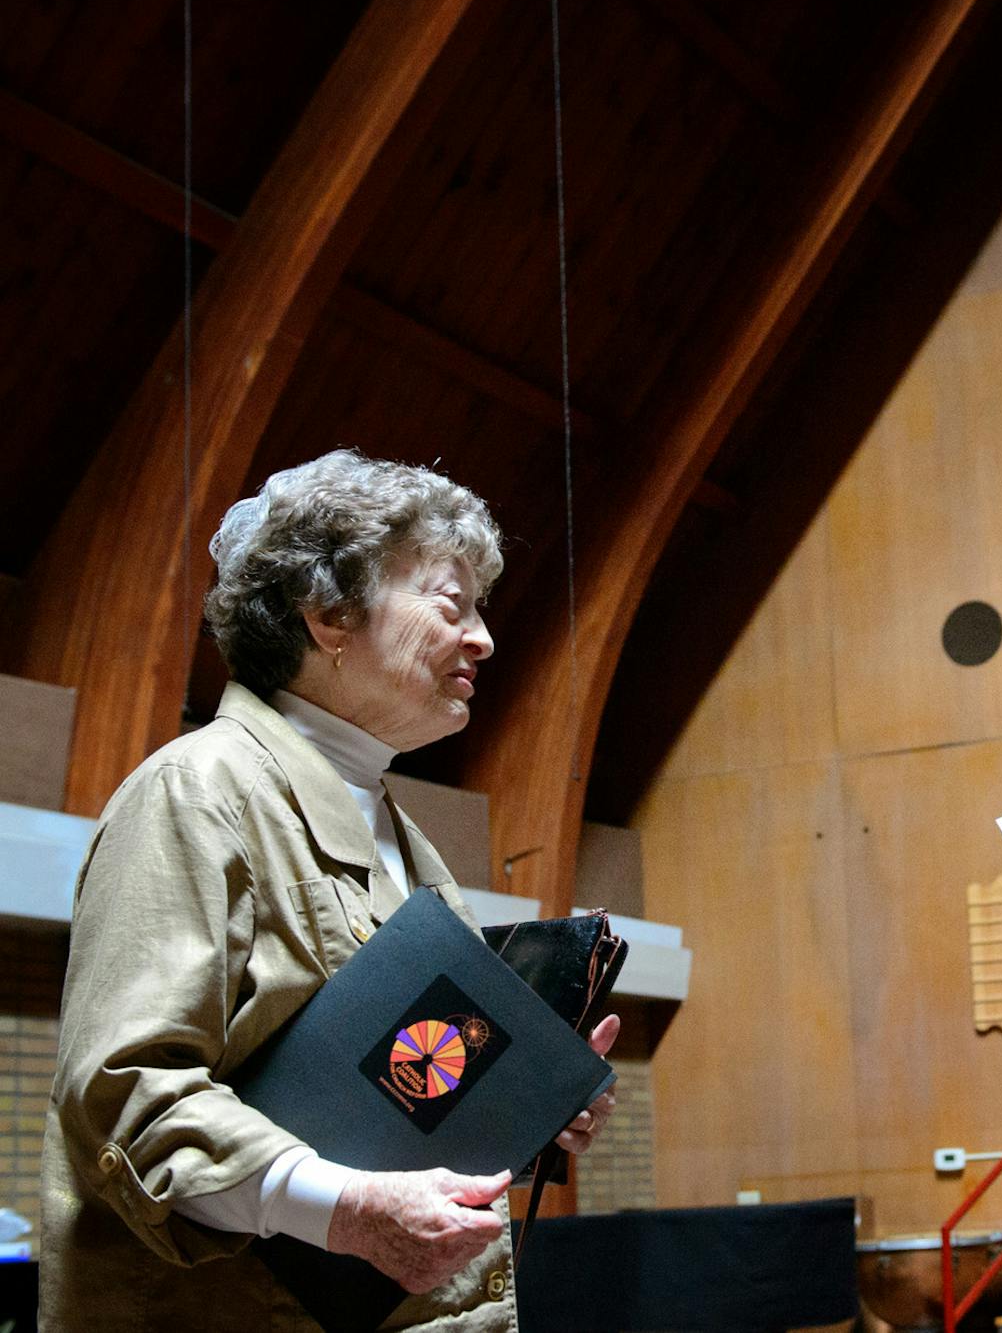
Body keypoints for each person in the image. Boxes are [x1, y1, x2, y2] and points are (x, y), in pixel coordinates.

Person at [41, 451, 619, 1330]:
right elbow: (128, 1093)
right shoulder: (199, 790)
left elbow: (404, 1098)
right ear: (328, 616)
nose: (484, 640)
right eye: (450, 604)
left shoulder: (400, 831)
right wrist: (346, 1210)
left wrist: (534, 1103)